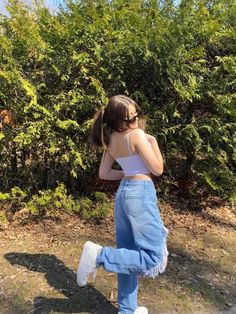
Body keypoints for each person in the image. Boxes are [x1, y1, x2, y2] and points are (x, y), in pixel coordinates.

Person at [76, 95, 169, 314]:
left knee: (128, 254)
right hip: (141, 195)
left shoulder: (111, 139)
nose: (134, 122)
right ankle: (99, 256)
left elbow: (104, 173)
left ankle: (127, 310)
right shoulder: (137, 135)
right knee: (153, 257)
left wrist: (128, 172)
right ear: (117, 121)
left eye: (136, 115)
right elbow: (158, 169)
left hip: (124, 195)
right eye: (128, 119)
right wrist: (153, 142)